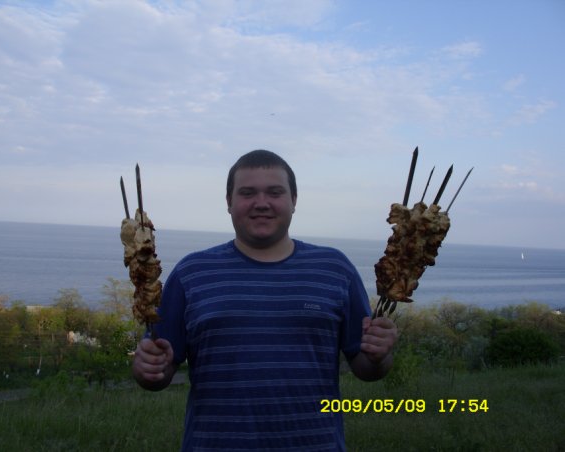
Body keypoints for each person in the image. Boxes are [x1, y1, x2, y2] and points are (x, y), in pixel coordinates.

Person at [132, 149, 398, 451]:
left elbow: (366, 368)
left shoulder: (335, 269)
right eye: (247, 193)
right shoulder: (191, 273)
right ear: (229, 202)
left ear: (293, 200)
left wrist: (379, 355)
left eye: (275, 192)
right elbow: (158, 372)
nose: (261, 203)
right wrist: (147, 368)